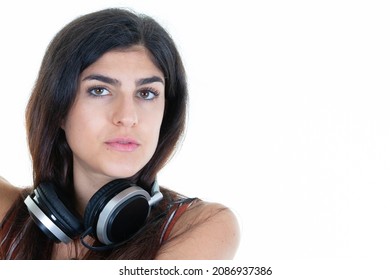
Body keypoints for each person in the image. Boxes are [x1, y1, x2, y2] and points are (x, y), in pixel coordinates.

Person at [0, 8, 240, 260]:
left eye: (146, 93)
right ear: (58, 109)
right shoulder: (8, 213)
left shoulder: (201, 226)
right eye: (99, 90)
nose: (127, 117)